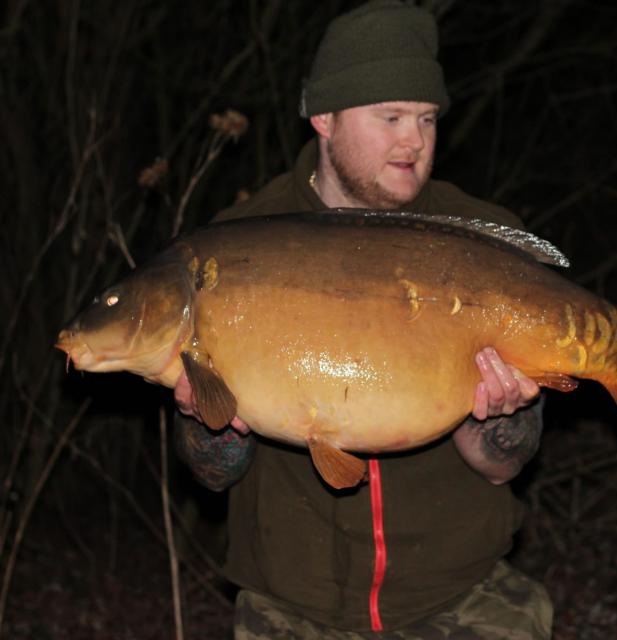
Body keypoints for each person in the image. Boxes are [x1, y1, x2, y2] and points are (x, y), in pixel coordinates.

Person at [173, 1, 553, 637]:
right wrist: (206, 418)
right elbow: (211, 475)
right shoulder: (235, 244)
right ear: (324, 117)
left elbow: (502, 465)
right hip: (292, 608)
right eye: (391, 117)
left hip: (460, 597)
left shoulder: (480, 241)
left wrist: (499, 411)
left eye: (427, 119)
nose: (415, 141)